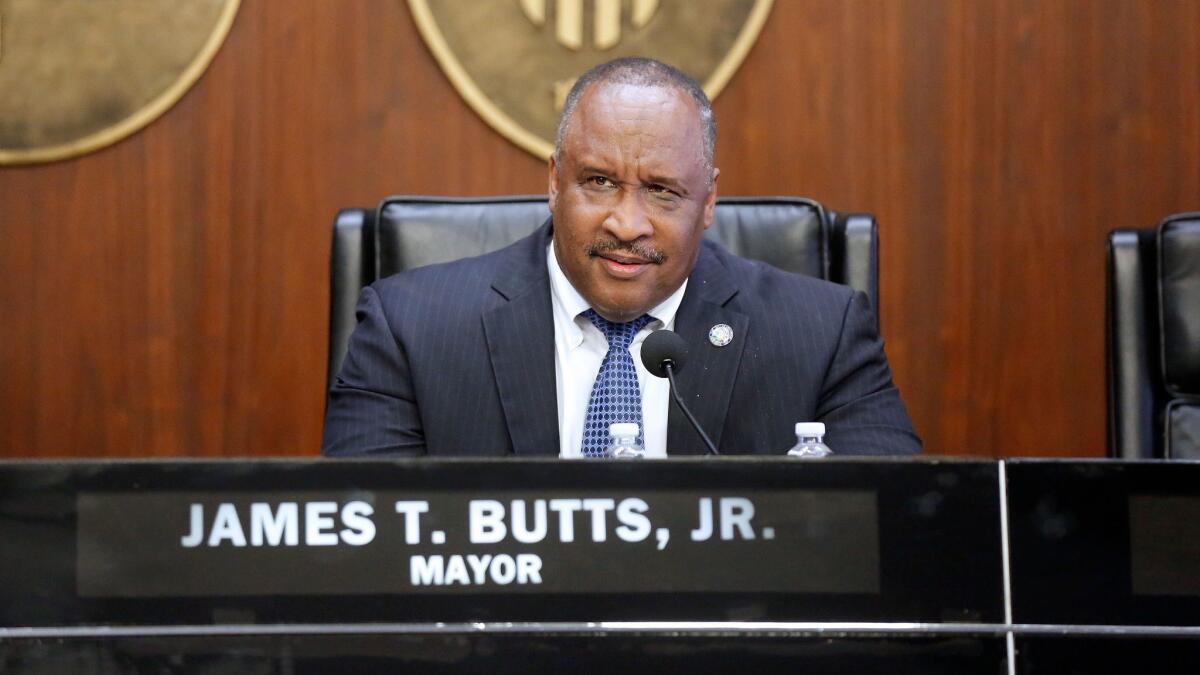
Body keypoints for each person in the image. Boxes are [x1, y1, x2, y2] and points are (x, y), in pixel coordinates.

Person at [322, 57, 921, 457]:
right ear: (555, 182)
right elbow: (363, 555)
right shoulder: (410, 329)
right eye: (599, 182)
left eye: (662, 191)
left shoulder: (822, 335)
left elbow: (895, 537)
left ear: (708, 200)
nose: (627, 224)